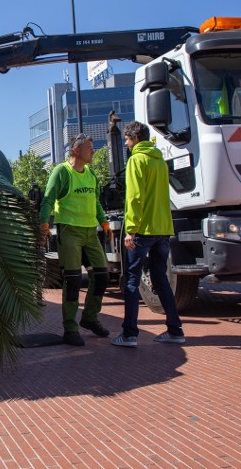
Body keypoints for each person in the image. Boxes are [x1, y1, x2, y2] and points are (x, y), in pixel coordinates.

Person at [112, 121, 185, 348]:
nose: (125, 143)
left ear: (134, 138)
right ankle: (175, 330)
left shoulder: (136, 160)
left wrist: (130, 230)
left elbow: (134, 198)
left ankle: (129, 334)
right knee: (161, 278)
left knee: (132, 280)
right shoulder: (159, 161)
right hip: (162, 228)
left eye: (126, 138)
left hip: (142, 229)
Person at [39, 134, 113, 346]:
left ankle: (89, 317)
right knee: (72, 281)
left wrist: (104, 223)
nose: (93, 150)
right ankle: (70, 328)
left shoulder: (90, 174)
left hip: (90, 233)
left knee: (102, 276)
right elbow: (48, 200)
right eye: (89, 147)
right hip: (69, 231)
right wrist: (44, 225)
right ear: (76, 151)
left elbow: (95, 202)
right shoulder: (62, 172)